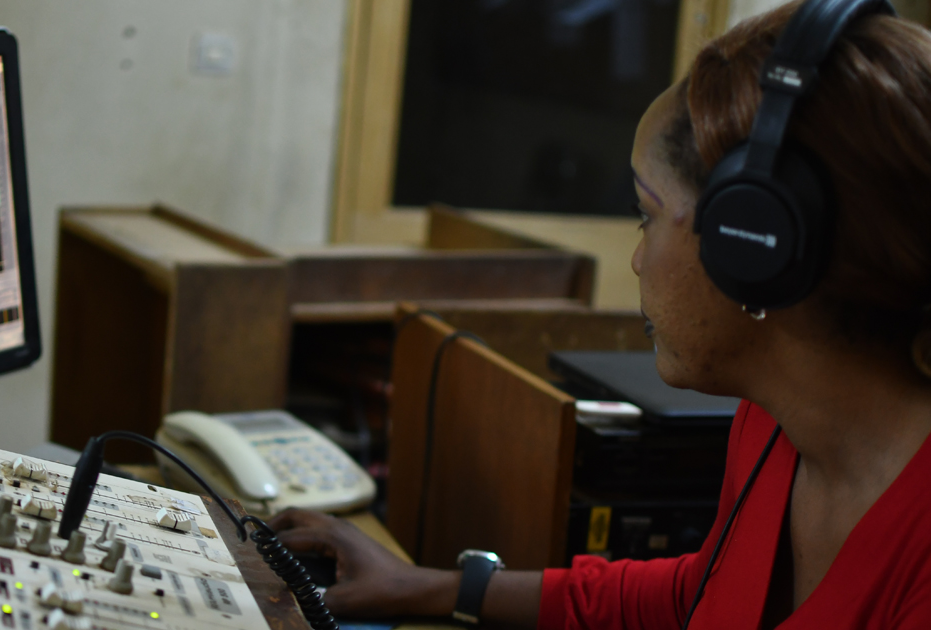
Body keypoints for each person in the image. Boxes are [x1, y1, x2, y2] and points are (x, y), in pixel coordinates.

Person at [267, 1, 931, 628]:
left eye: (648, 214)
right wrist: (439, 586)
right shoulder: (774, 425)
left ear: (754, 243)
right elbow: (699, 594)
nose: (639, 261)